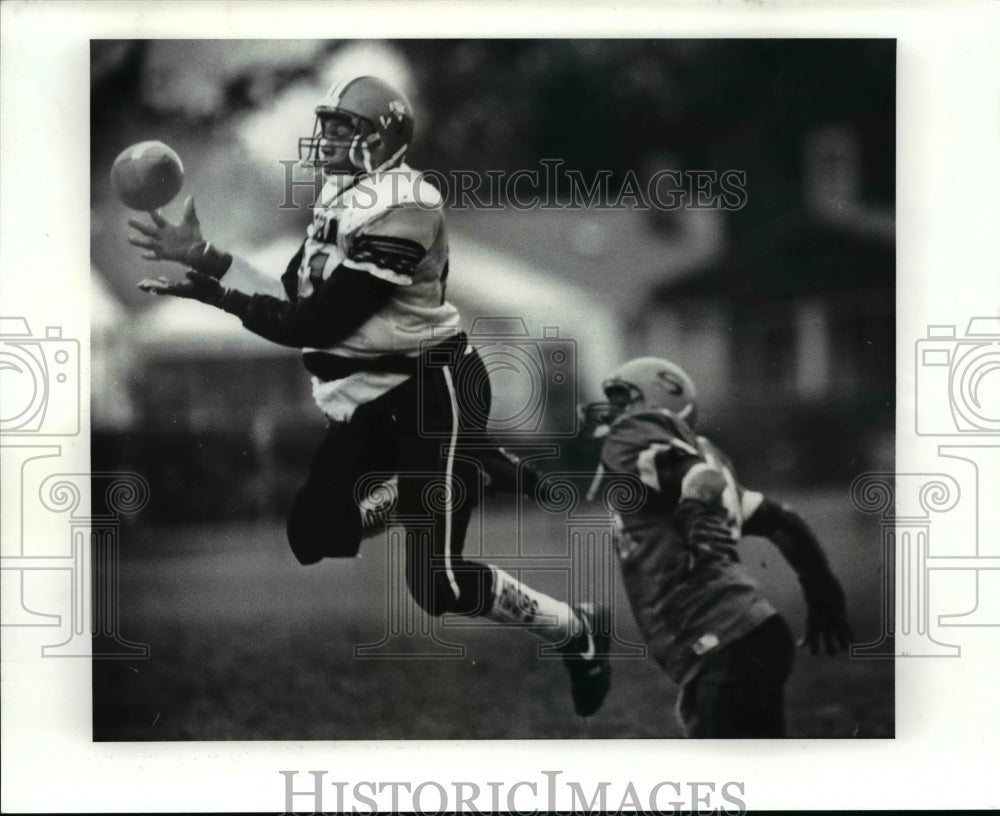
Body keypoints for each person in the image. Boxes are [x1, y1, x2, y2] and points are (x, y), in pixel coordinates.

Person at [127, 75, 610, 718]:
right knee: (312, 533)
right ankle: (453, 476)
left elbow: (317, 324)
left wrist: (216, 295)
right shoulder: (340, 195)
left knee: (436, 587)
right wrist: (210, 259)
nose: (328, 139)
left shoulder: (408, 204)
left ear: (384, 138)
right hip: (372, 397)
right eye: (326, 125)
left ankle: (575, 629)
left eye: (344, 128)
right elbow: (296, 294)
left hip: (431, 390)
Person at [580, 356, 852, 737]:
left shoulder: (636, 438)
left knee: (726, 782)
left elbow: (701, 478)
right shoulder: (702, 454)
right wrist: (823, 592)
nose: (614, 411)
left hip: (724, 643)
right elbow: (783, 520)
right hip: (752, 634)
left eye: (625, 399)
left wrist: (695, 510)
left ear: (661, 403)